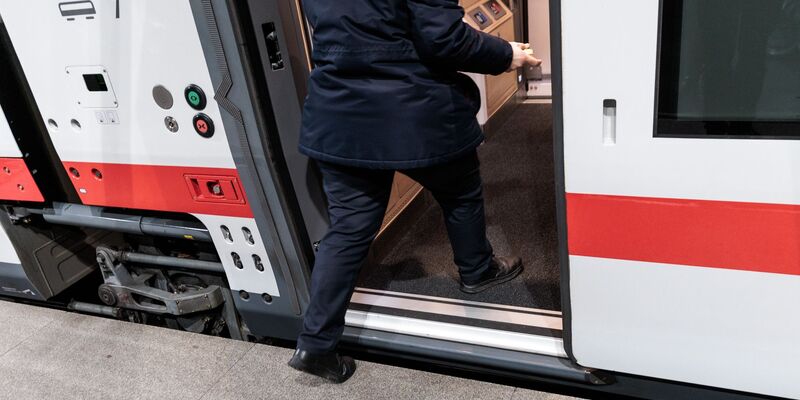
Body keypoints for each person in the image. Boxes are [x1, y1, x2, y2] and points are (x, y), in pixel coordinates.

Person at [288, 0, 542, 383]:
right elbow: (444, 39)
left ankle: (315, 344)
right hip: (414, 111)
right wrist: (507, 54)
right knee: (460, 192)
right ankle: (477, 270)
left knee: (348, 229)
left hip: (339, 114)